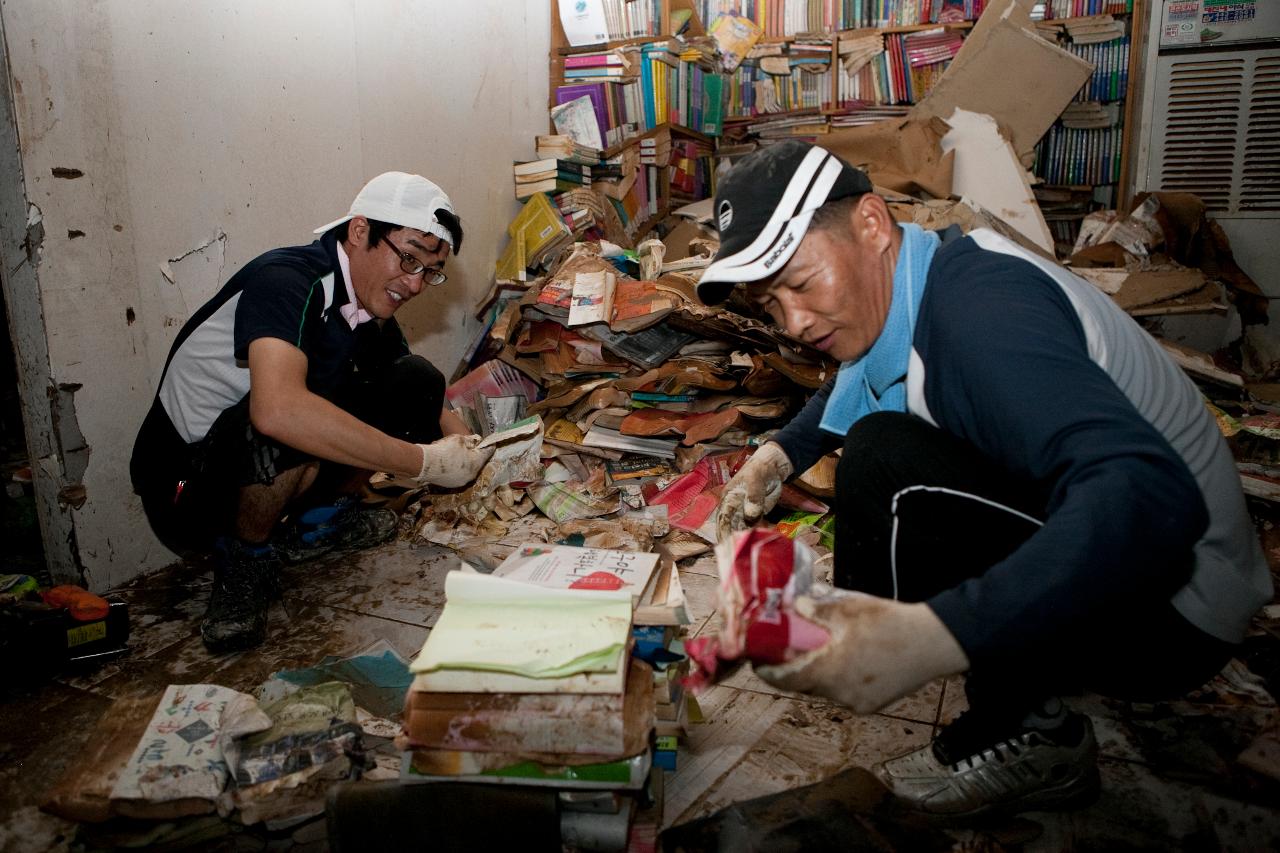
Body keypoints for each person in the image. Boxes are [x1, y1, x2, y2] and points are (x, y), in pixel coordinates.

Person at [704, 140, 1273, 819]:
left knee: (888, 459)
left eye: (800, 283)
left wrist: (940, 632)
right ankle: (983, 657)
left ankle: (1035, 734)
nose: (793, 323)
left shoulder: (982, 315)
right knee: (879, 448)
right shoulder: (930, 277)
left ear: (873, 224)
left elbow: (1150, 495)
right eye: (772, 305)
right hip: (1155, 581)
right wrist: (777, 457)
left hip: (1176, 616)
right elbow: (855, 381)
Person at [131, 171, 493, 654]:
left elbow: (420, 396)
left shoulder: (365, 304)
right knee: (281, 422)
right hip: (185, 486)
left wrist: (477, 455)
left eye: (430, 271)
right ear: (359, 231)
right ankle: (244, 562)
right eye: (408, 258)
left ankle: (319, 524)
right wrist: (424, 463)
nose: (415, 283)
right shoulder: (287, 281)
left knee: (414, 380)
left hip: (257, 459)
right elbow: (278, 412)